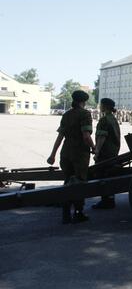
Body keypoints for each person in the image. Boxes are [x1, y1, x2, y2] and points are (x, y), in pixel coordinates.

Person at [47, 90, 95, 224]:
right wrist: (94, 147)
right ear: (83, 102)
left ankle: (66, 213)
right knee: (79, 183)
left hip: (66, 153)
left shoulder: (67, 115)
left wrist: (52, 155)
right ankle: (78, 213)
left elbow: (60, 136)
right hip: (79, 154)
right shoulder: (85, 114)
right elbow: (86, 136)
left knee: (68, 181)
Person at [92, 98, 121, 209]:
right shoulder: (113, 119)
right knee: (110, 175)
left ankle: (106, 201)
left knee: (102, 175)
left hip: (105, 152)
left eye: (101, 105)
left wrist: (97, 151)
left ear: (104, 107)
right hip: (113, 151)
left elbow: (102, 137)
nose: (100, 107)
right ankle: (110, 199)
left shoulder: (104, 120)